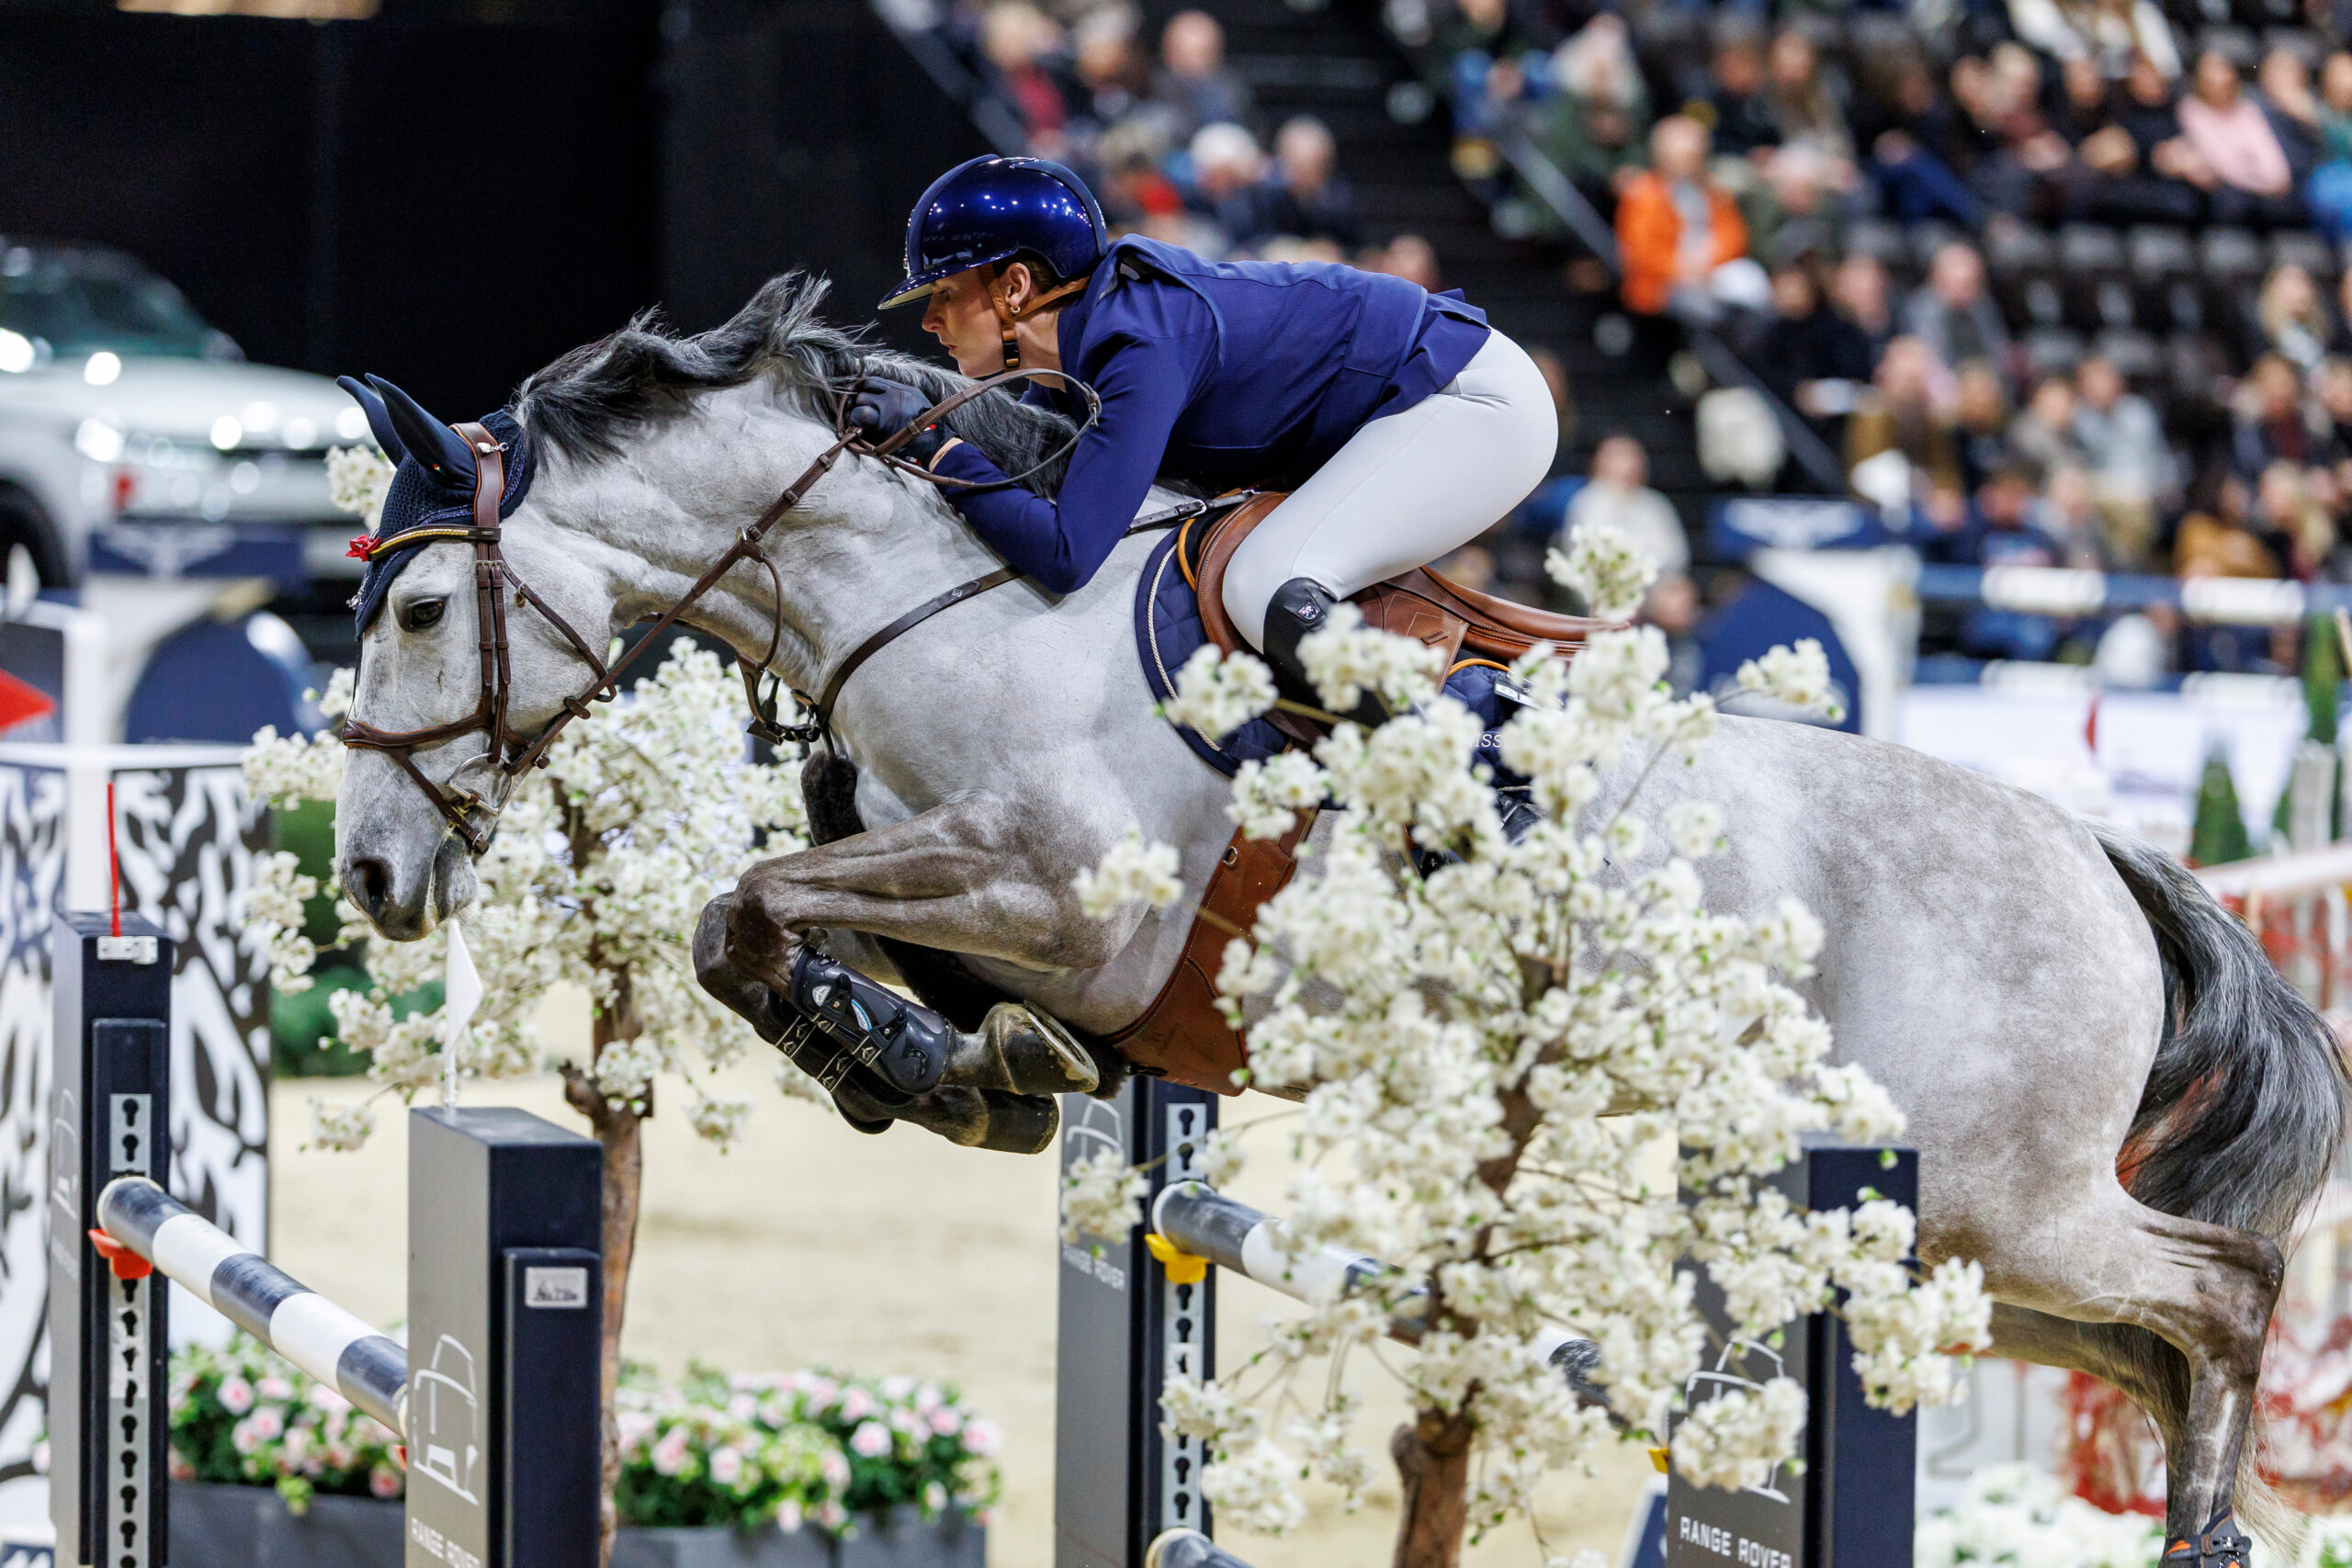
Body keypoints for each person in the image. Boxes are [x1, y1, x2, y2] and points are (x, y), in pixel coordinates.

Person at [851, 156, 1557, 755]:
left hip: (1471, 402)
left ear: (1014, 288)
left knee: (1265, 583)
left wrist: (935, 443)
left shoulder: (1139, 344)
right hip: (1422, 400)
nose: (929, 318)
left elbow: (1067, 552)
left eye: (945, 291)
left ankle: (1478, 754)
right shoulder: (1080, 359)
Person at [1614, 115, 1759, 320]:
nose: (1688, 165)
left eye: (1693, 157)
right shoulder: (1642, 194)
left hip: (1710, 274)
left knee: (1753, 286)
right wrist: (1679, 269)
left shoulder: (1714, 192)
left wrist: (1707, 265)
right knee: (1704, 310)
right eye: (1681, 157)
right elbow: (1639, 250)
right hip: (1662, 286)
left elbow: (1734, 237)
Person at [1563, 434, 1689, 576]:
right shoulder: (1585, 502)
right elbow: (1579, 553)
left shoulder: (1656, 503)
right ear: (1599, 462)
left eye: (1632, 455)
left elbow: (1674, 555)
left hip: (1654, 585)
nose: (1629, 463)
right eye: (1618, 455)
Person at [1902, 242, 2012, 387]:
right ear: (1938, 279)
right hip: (1942, 386)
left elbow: (1998, 352)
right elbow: (1932, 359)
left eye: (1972, 284)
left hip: (1982, 383)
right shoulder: (1921, 308)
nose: (1968, 293)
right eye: (1962, 285)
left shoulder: (1984, 307)